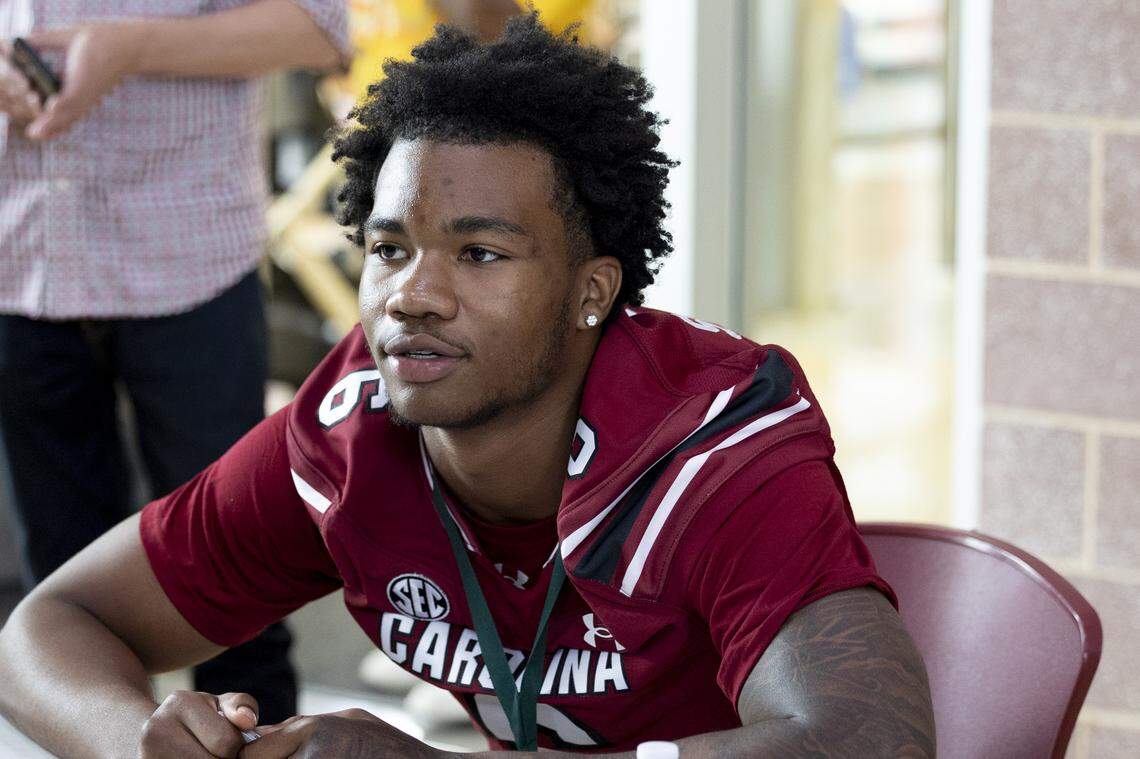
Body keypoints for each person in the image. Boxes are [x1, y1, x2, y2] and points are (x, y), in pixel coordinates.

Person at [0, 13, 936, 758]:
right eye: (388, 248)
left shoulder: (709, 442)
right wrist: (139, 740)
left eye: (480, 253)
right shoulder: (351, 430)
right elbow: (48, 627)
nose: (414, 294)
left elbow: (872, 740)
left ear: (591, 290)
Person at [0, 0, 350, 726]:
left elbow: (319, 28)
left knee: (243, 579)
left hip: (188, 253)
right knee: (57, 594)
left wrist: (130, 48)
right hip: (15, 260)